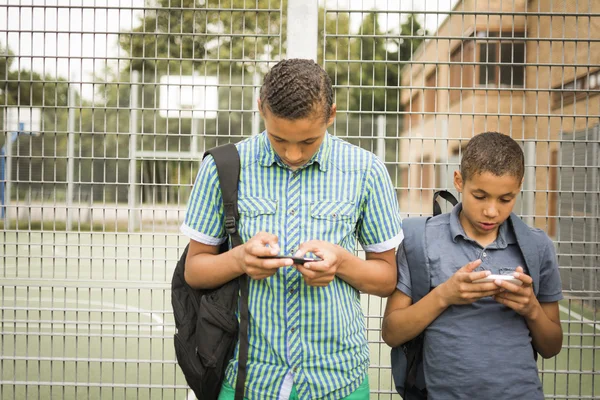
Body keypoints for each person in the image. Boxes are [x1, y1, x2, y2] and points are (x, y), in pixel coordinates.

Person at [181, 58, 403, 400]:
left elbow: (387, 277)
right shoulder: (222, 168)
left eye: (309, 141)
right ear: (261, 109)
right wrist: (240, 259)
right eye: (279, 138)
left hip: (338, 378)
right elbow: (194, 271)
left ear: (331, 114)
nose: (293, 154)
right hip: (248, 377)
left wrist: (341, 263)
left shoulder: (367, 171)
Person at [381, 131, 563, 400]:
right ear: (458, 181)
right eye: (480, 196)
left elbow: (551, 347)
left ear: (520, 186)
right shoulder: (420, 239)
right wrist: (445, 295)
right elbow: (392, 333)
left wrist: (531, 308)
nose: (492, 211)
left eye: (505, 199)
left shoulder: (537, 247)